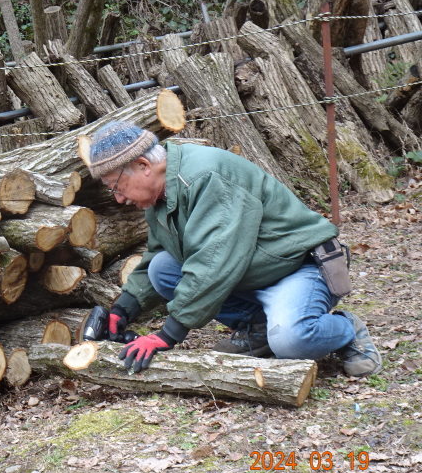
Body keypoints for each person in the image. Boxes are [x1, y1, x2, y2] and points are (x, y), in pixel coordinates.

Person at [87, 121, 382, 378]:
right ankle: (258, 326)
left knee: (293, 342)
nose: (119, 199)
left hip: (297, 267)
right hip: (254, 269)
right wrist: (125, 308)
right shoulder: (161, 193)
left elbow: (214, 262)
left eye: (117, 186)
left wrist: (167, 335)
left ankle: (346, 330)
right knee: (162, 268)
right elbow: (157, 251)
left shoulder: (205, 175)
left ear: (143, 165)